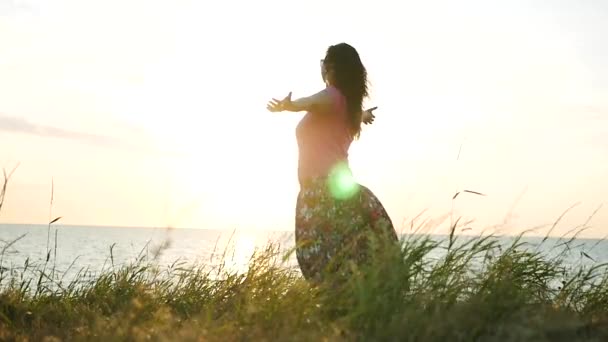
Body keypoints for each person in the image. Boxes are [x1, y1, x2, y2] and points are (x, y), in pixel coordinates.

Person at [267, 43, 399, 284]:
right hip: (336, 190)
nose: (322, 69)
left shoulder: (331, 97)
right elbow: (348, 113)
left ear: (332, 68)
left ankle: (340, 310)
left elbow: (311, 101)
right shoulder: (348, 105)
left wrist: (290, 105)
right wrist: (365, 115)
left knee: (320, 260)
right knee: (342, 258)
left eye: (324, 64)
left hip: (321, 193)